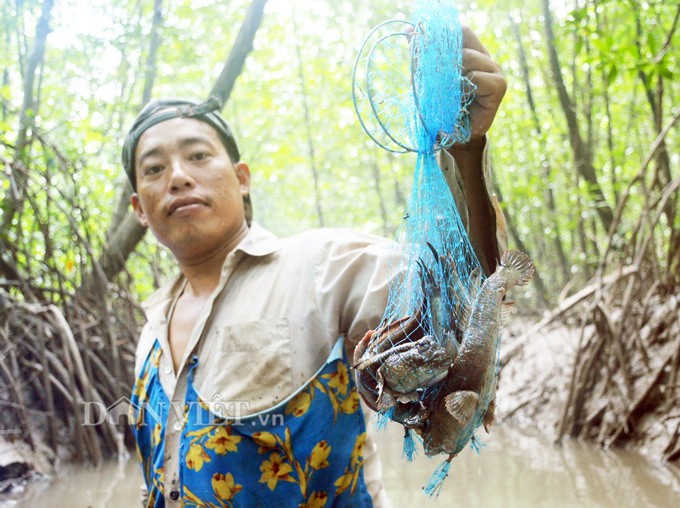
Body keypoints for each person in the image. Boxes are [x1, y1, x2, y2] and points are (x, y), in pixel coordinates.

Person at [123, 25, 507, 508]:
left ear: (242, 179)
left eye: (198, 156)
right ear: (140, 208)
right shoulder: (149, 333)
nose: (178, 177)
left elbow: (463, 305)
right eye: (155, 168)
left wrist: (464, 153)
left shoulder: (321, 266)